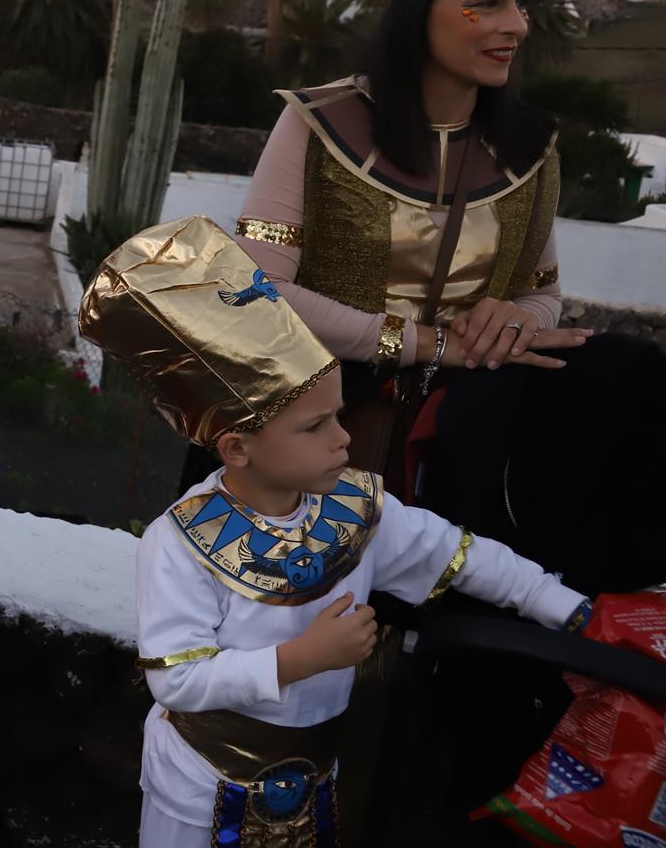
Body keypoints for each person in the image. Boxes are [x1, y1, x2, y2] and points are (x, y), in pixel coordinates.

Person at [80, 215, 591, 848]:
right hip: (199, 789)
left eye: (338, 416)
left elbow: (458, 555)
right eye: (315, 426)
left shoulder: (355, 508)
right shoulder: (180, 541)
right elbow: (177, 679)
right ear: (237, 448)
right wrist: (301, 660)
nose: (343, 439)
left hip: (316, 773)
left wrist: (568, 609)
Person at [229, 0, 665, 592]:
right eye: (486, 3)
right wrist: (427, 344)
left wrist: (514, 320)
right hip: (324, 426)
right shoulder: (319, 124)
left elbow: (540, 291)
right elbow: (258, 291)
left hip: (472, 432)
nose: (515, 26)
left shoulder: (531, 148)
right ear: (416, 8)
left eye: (521, 4)